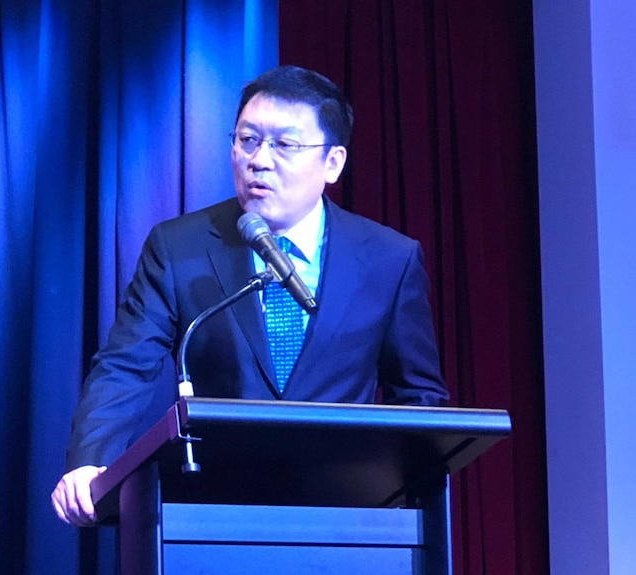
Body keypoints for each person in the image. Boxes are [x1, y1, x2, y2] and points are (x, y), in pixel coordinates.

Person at [51, 65, 448, 526]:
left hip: (346, 518)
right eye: (248, 140)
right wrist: (90, 461)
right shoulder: (179, 247)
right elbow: (125, 365)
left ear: (333, 163)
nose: (259, 160)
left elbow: (418, 396)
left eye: (285, 144)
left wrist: (401, 503)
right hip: (213, 514)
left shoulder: (389, 260)